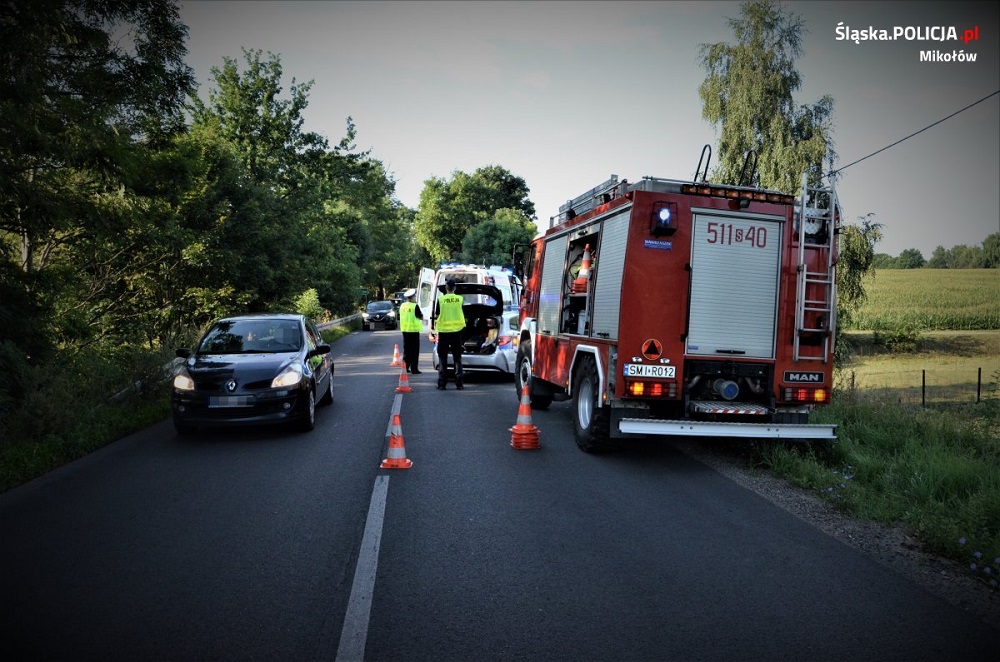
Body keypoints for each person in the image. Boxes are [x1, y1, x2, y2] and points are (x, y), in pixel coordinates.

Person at [433, 278, 466, 390]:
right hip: (456, 332)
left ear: (446, 288)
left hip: (444, 332)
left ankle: (442, 384)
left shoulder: (441, 300)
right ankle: (459, 384)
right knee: (457, 358)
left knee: (443, 358)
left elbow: (437, 314)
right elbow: (463, 312)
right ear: (455, 288)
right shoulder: (460, 299)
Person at [398, 288, 423, 374]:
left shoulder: (402, 306)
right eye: (415, 296)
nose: (415, 297)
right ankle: (414, 369)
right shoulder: (414, 306)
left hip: (405, 330)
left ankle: (405, 367)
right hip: (414, 330)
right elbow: (420, 316)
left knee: (407, 350)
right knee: (414, 350)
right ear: (412, 297)